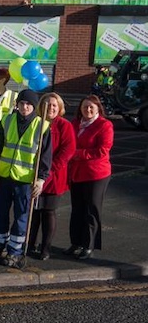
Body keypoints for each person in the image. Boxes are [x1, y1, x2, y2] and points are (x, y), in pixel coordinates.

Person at [0, 90, 52, 267]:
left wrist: (40, 179)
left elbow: (45, 156)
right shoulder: (6, 121)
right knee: (0, 213)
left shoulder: (42, 126)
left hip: (25, 180)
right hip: (3, 176)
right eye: (22, 103)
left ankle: (14, 252)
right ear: (17, 104)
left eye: (28, 104)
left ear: (34, 107)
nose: (25, 107)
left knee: (21, 216)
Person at [28, 93, 76, 261]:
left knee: (48, 212)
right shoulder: (36, 123)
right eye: (47, 104)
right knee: (34, 213)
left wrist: (48, 171)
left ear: (59, 107)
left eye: (54, 105)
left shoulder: (64, 125)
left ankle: (45, 248)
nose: (51, 107)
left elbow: (67, 151)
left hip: (54, 177)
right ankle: (30, 243)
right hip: (33, 174)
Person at [66, 95, 113, 260]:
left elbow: (102, 150)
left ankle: (89, 245)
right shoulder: (74, 124)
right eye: (85, 107)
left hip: (96, 174)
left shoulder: (105, 125)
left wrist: (77, 154)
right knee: (77, 209)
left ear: (98, 109)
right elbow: (68, 143)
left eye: (91, 107)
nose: (88, 110)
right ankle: (76, 243)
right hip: (77, 173)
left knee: (91, 210)